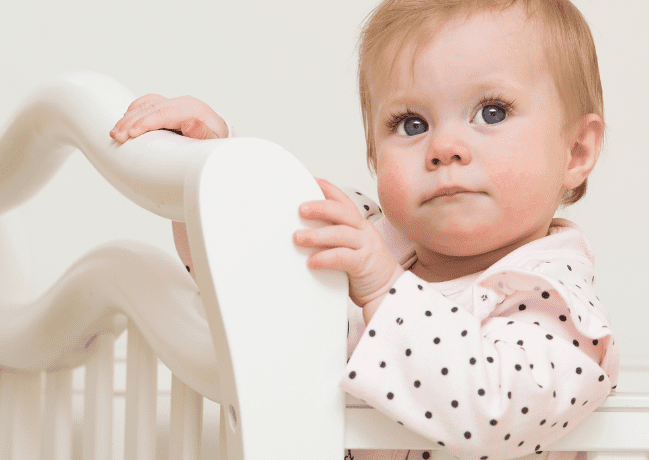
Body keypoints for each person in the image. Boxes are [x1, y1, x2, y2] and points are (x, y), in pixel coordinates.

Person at [109, 1, 618, 458]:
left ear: (576, 151)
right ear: (374, 155)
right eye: (411, 124)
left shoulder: (557, 306)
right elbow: (245, 260)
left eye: (492, 111)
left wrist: (384, 290)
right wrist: (214, 160)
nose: (445, 146)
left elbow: (492, 412)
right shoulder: (367, 239)